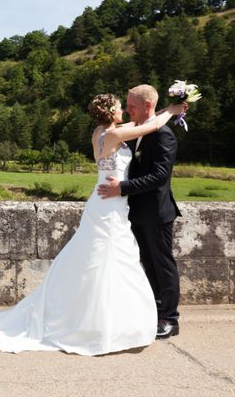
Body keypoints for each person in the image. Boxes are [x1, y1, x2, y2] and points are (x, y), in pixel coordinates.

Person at [0, 93, 186, 356]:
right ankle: (102, 321)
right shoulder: (115, 136)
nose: (125, 112)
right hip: (110, 201)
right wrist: (173, 111)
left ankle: (109, 316)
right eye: (120, 107)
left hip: (106, 201)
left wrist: (165, 108)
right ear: (110, 112)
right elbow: (149, 126)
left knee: (103, 257)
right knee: (104, 257)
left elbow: (144, 125)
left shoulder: (101, 132)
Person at [97, 85, 183, 339]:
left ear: (146, 106)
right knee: (148, 264)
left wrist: (121, 188)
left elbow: (159, 176)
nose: (128, 109)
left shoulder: (164, 135)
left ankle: (170, 318)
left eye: (131, 105)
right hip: (136, 211)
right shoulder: (139, 132)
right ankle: (155, 312)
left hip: (157, 212)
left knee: (162, 264)